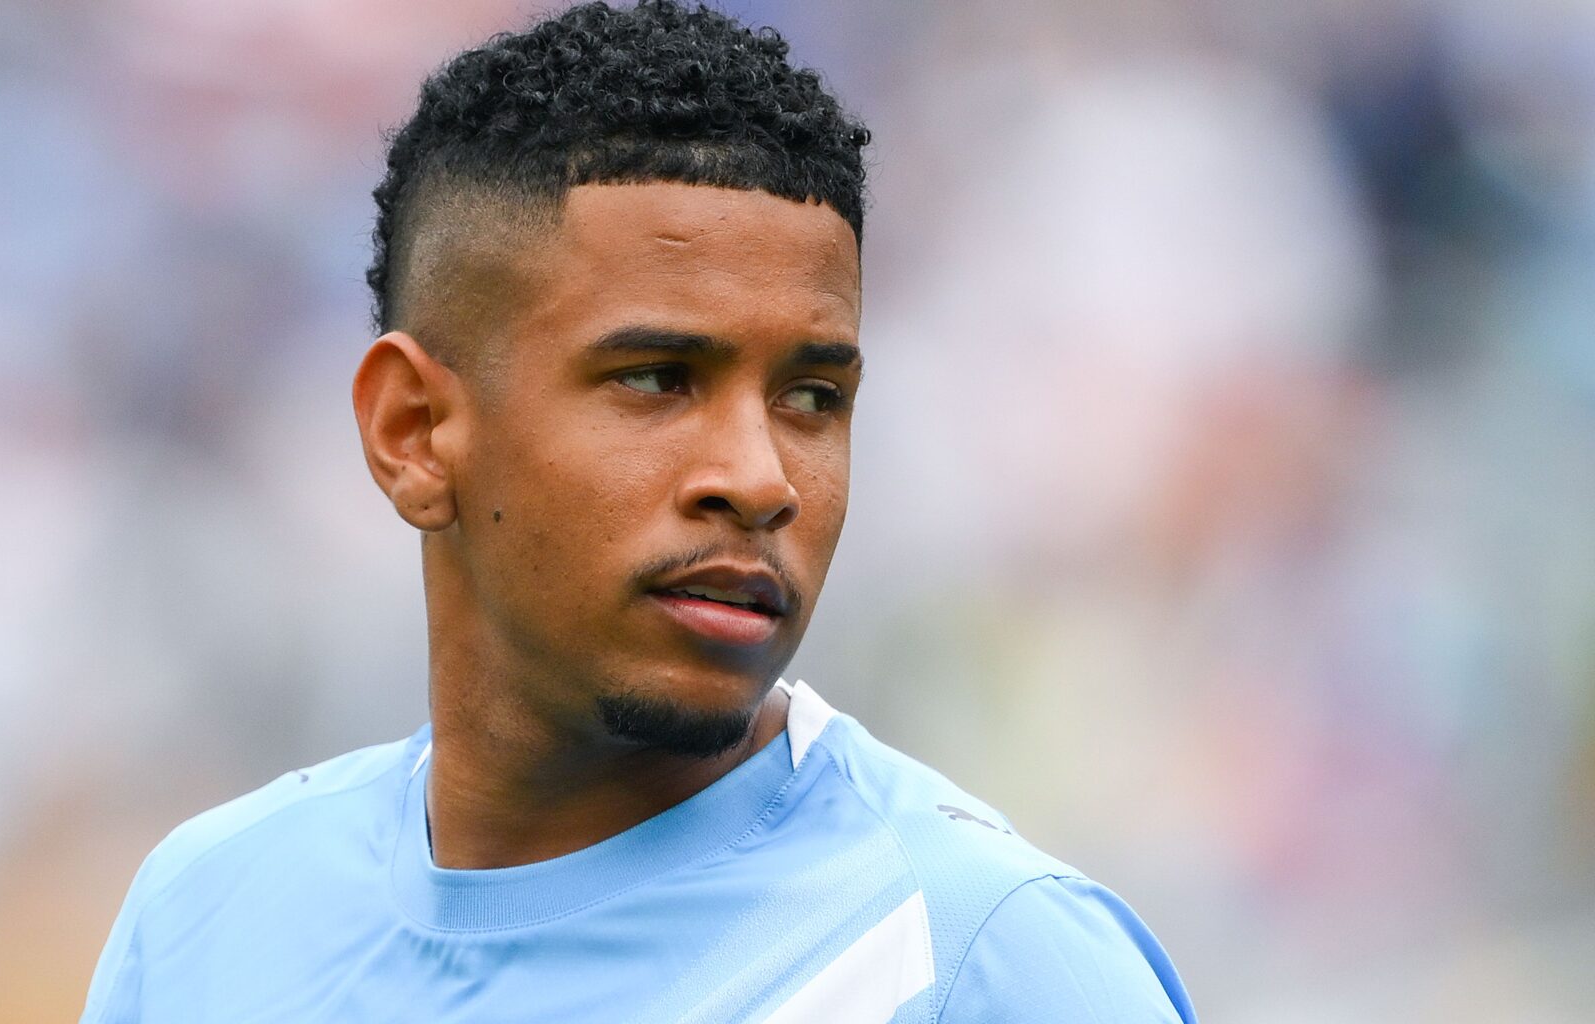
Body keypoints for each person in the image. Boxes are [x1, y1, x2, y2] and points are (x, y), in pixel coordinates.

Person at [80, 2, 1197, 1020]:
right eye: (659, 378)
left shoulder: (977, 959)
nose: (761, 479)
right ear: (413, 431)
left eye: (813, 397)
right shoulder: (204, 920)